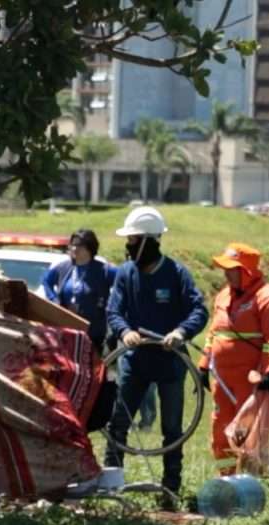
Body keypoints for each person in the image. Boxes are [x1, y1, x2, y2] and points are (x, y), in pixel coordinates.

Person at [104, 206, 209, 506]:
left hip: (170, 363)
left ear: (149, 241)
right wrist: (124, 331)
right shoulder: (125, 274)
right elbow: (113, 311)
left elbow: (199, 310)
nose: (128, 246)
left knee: (172, 430)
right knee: (118, 423)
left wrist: (181, 332)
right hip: (134, 362)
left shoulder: (176, 273)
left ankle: (170, 490)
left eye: (133, 240)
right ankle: (110, 487)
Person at [196, 243, 269, 476]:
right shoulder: (223, 295)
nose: (226, 273)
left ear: (247, 271)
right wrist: (203, 366)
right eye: (225, 268)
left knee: (249, 432)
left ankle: (252, 480)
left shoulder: (268, 297)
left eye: (231, 269)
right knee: (220, 429)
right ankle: (225, 479)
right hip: (222, 380)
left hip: (251, 382)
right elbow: (213, 333)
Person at [41, 229, 118, 350]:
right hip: (66, 333)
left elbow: (123, 283)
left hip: (93, 335)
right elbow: (46, 281)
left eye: (79, 245)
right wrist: (54, 300)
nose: (74, 248)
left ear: (90, 247)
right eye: (72, 245)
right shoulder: (63, 267)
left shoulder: (104, 270)